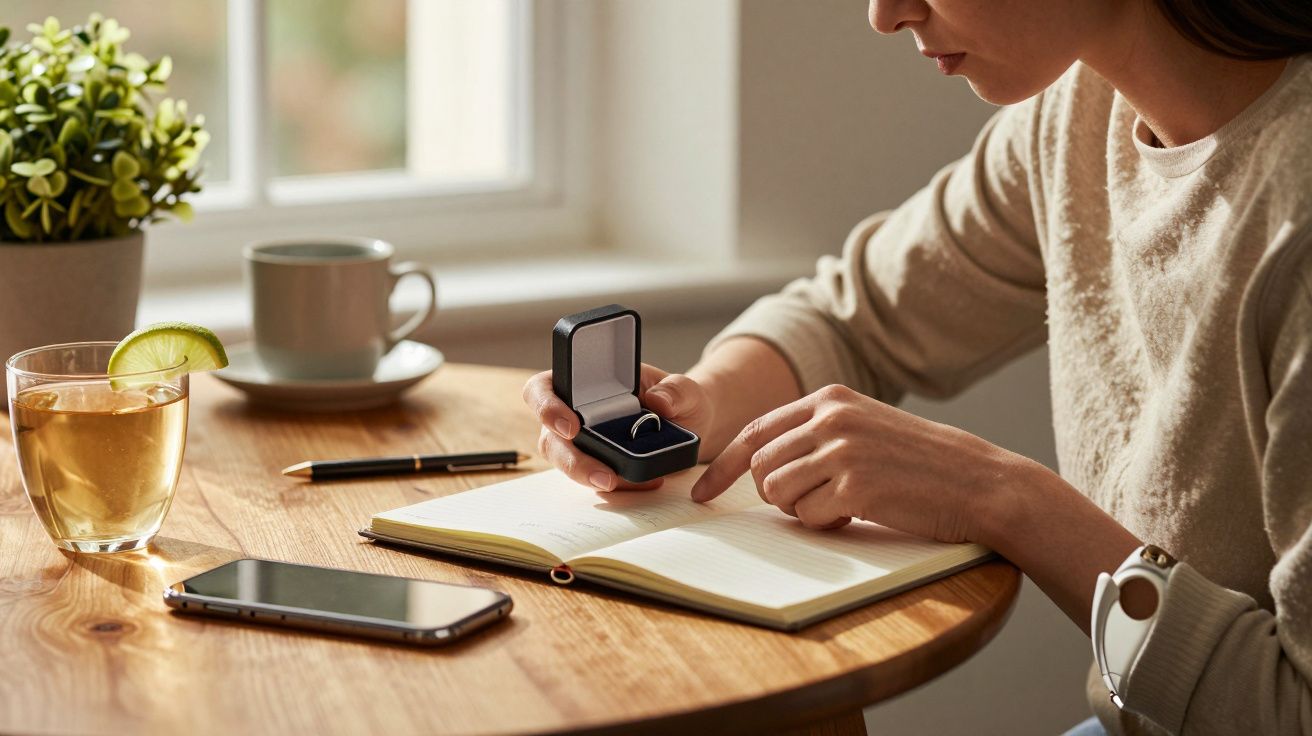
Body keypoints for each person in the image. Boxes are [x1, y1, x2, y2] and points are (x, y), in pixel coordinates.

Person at [523, 1, 1312, 733]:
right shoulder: (1078, 115)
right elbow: (854, 316)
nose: (884, 13)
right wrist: (699, 404)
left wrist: (1005, 500)